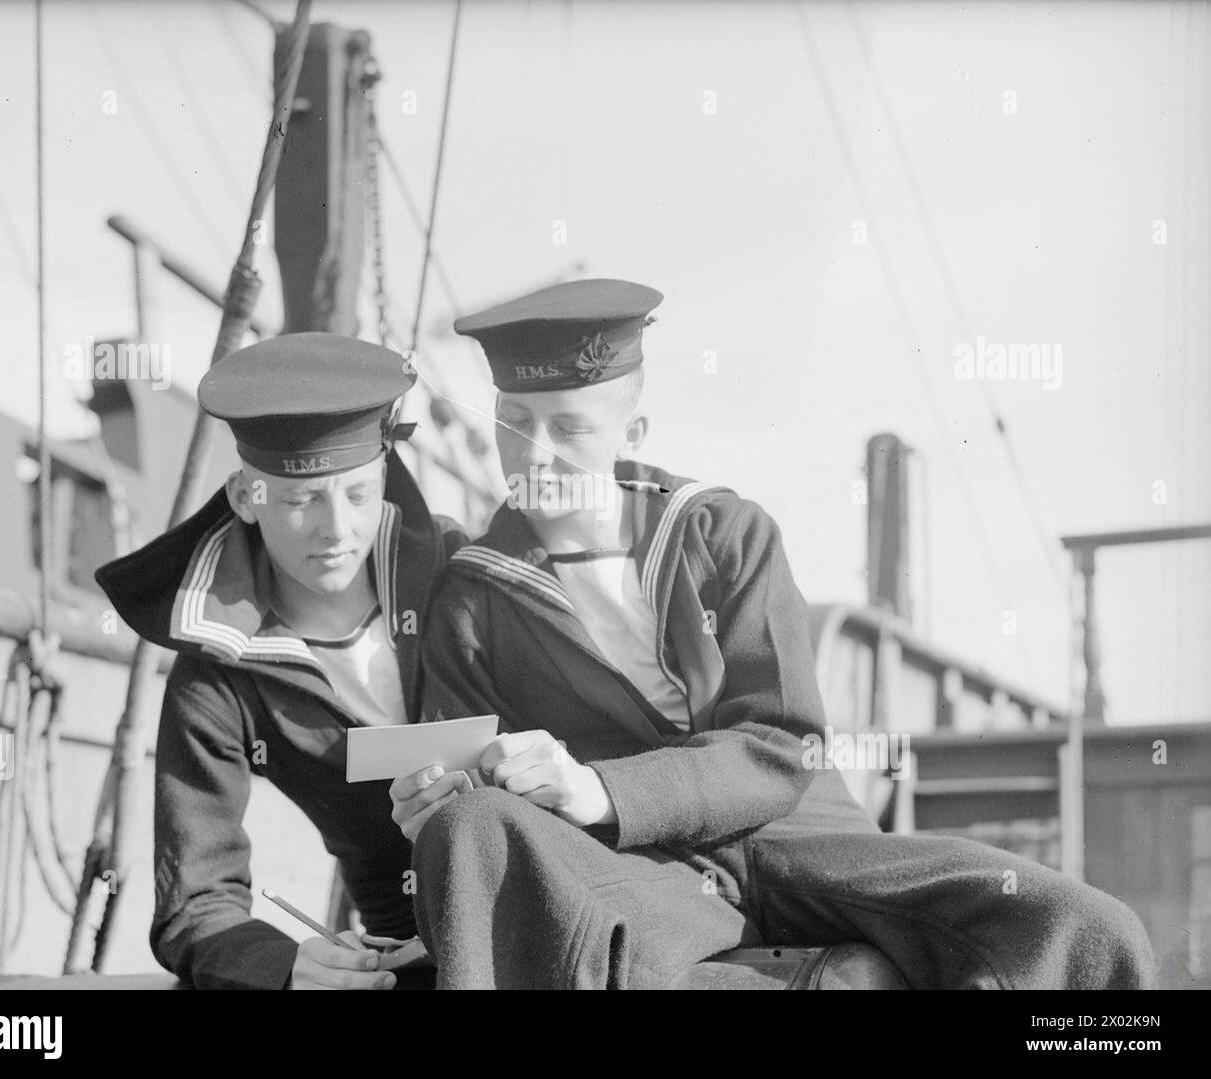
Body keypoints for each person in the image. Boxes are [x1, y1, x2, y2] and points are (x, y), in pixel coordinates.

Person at [390, 278, 1155, 990]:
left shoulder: (724, 533)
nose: (536, 451)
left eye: (570, 426)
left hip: (800, 835)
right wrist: (438, 796)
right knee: (473, 830)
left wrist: (600, 787)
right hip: (638, 865)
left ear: (634, 430)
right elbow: (475, 782)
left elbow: (781, 743)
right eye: (515, 424)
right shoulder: (473, 595)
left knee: (1083, 929)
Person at [97, 333, 463, 990]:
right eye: (300, 501)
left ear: (384, 475)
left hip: (536, 921)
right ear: (245, 496)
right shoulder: (217, 675)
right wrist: (284, 964)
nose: (336, 530)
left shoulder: (462, 581)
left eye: (357, 495)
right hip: (396, 963)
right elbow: (196, 901)